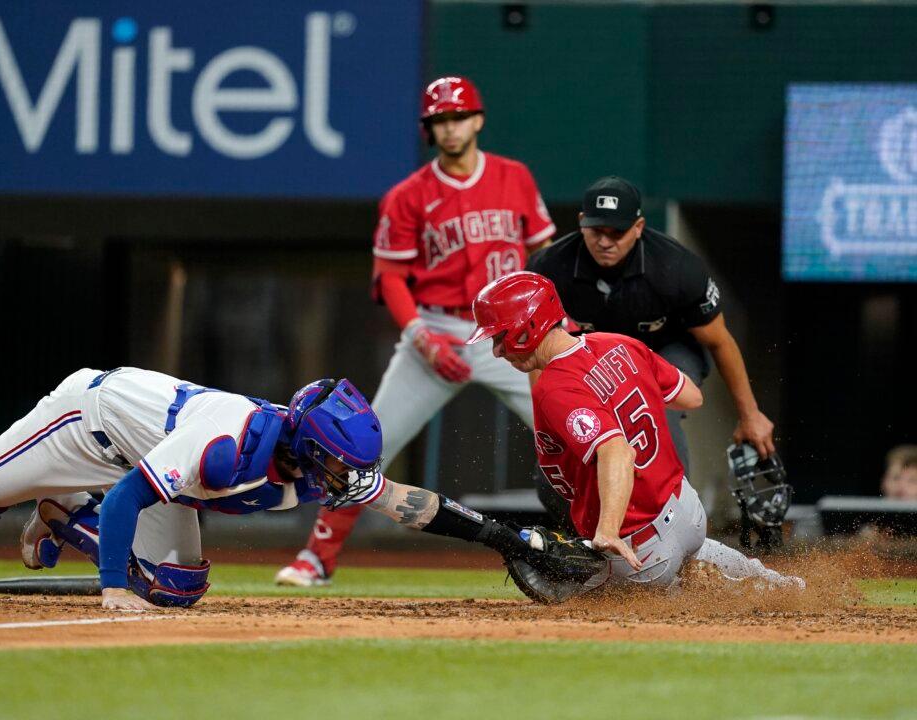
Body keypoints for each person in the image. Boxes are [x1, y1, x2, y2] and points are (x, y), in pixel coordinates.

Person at [0, 360, 571, 611]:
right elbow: (132, 497)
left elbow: (409, 504)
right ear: (304, 444)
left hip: (142, 462)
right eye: (335, 465)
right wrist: (110, 591)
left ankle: (58, 510)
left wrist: (503, 538)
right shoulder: (228, 444)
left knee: (178, 588)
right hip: (89, 421)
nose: (345, 481)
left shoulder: (317, 459)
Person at [276, 75, 556, 587]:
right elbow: (390, 277)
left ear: (477, 120)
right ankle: (318, 556)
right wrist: (423, 338)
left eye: (457, 117)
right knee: (359, 444)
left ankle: (616, 540)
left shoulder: (514, 177)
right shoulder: (409, 195)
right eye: (440, 121)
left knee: (571, 427)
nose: (450, 128)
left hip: (512, 332)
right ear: (430, 129)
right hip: (436, 327)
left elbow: (545, 254)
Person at [465, 272, 803, 590]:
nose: (497, 350)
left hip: (636, 543)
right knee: (693, 560)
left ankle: (683, 592)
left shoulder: (553, 388)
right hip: (685, 508)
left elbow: (615, 450)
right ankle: (774, 586)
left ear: (530, 326)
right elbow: (691, 397)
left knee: (563, 597)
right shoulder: (617, 342)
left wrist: (607, 531)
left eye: (500, 336)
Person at [528, 176, 775, 482]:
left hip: (669, 347)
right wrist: (550, 416)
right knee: (570, 431)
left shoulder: (677, 269)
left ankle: (675, 507)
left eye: (617, 231)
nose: (605, 241)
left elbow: (720, 342)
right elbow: (538, 347)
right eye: (596, 230)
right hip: (595, 354)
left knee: (654, 408)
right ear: (581, 222)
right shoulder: (548, 267)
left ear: (639, 227)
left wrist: (750, 414)